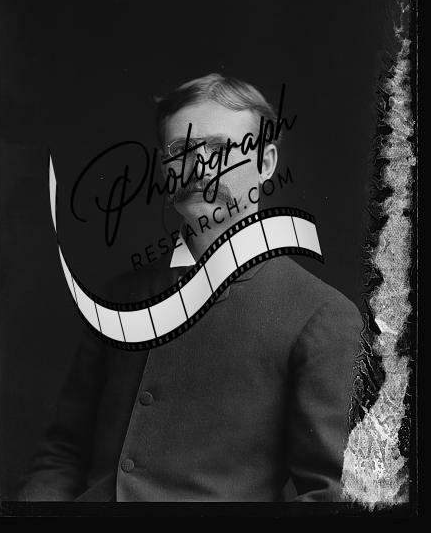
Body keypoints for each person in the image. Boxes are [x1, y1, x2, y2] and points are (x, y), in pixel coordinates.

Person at [19, 73, 363, 502]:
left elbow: (332, 497)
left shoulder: (320, 315)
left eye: (220, 149)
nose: (198, 169)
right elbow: (63, 453)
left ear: (266, 162)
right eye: (180, 151)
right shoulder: (121, 297)